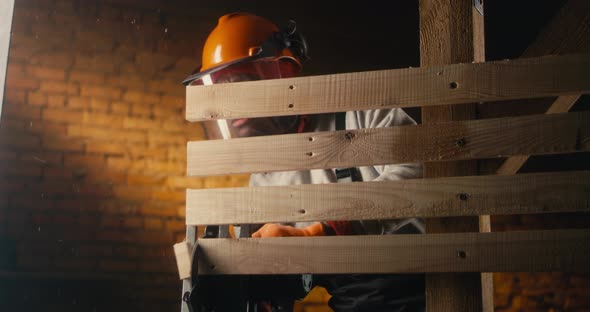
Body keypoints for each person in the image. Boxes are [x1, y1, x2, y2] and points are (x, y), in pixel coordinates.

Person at [183, 12, 425, 312]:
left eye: (239, 83)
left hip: (424, 288)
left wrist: (314, 234)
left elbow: (420, 174)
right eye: (221, 92)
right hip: (352, 303)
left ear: (283, 71)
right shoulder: (264, 181)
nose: (232, 108)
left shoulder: (360, 117)